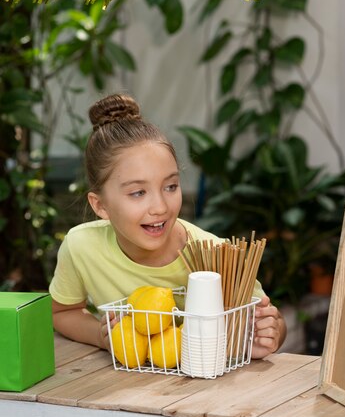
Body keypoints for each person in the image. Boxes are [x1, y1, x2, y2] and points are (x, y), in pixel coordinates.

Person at [50, 93, 287, 359]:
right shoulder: (82, 246)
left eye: (171, 186)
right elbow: (62, 312)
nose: (160, 206)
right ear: (100, 206)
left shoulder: (218, 256)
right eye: (138, 192)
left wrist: (270, 331)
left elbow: (267, 322)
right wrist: (101, 337)